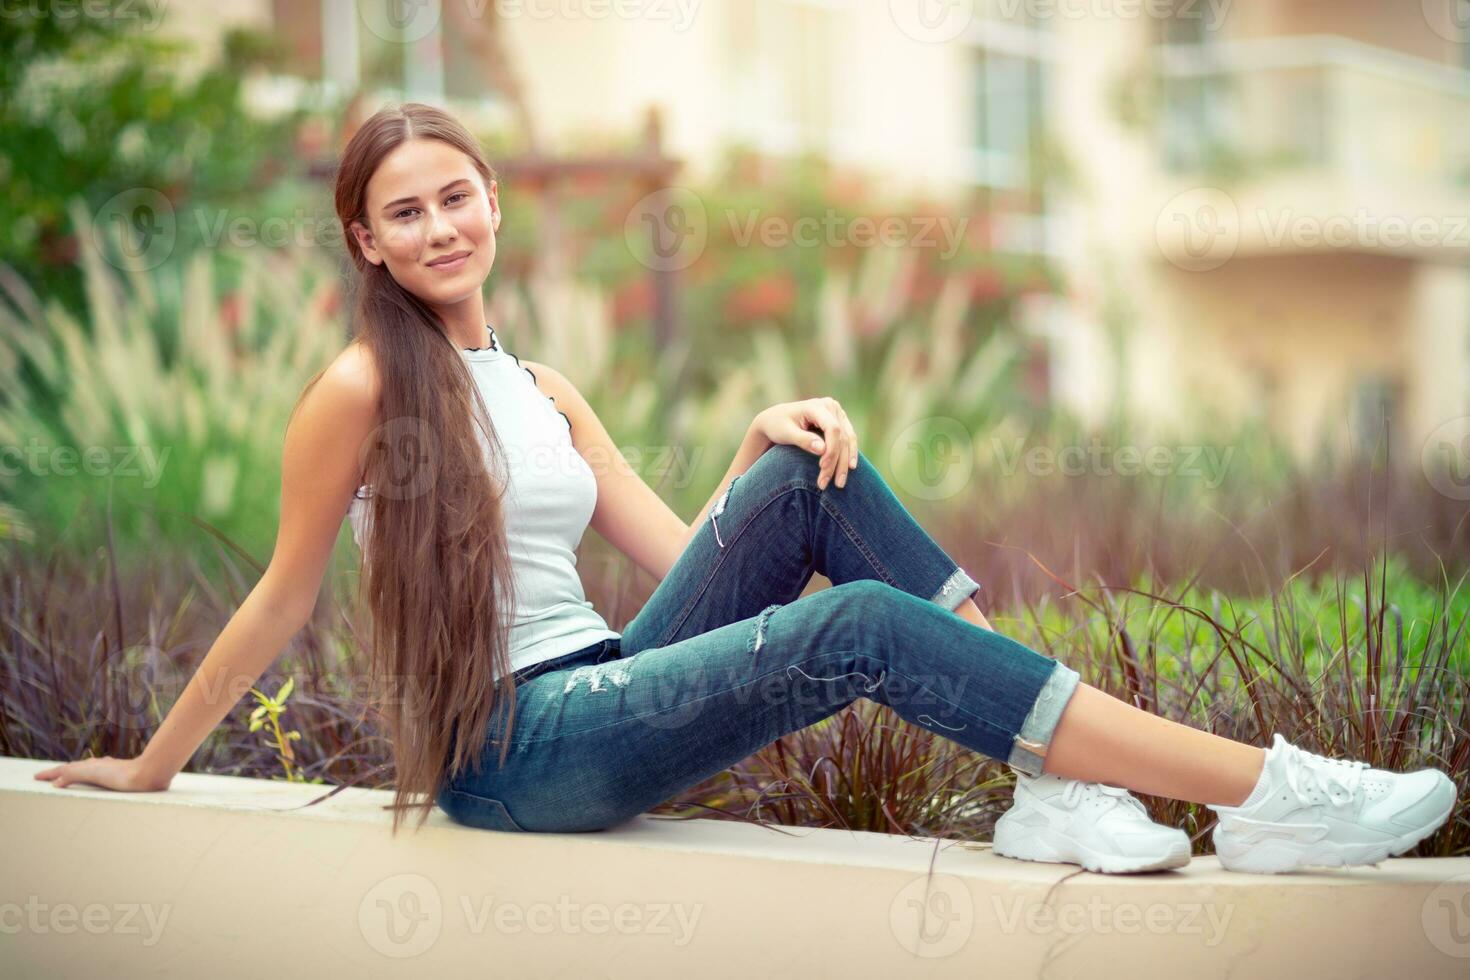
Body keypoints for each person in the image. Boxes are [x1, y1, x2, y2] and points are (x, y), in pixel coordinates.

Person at [36, 103, 1457, 877]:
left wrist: (748, 451)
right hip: (513, 754)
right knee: (862, 637)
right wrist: (151, 768)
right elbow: (283, 592)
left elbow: (685, 560)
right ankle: (1269, 793)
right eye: (404, 211)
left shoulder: (539, 388)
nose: (440, 225)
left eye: (455, 195)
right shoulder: (359, 389)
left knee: (799, 471)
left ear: (492, 202)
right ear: (367, 240)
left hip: (602, 680)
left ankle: (1050, 778)